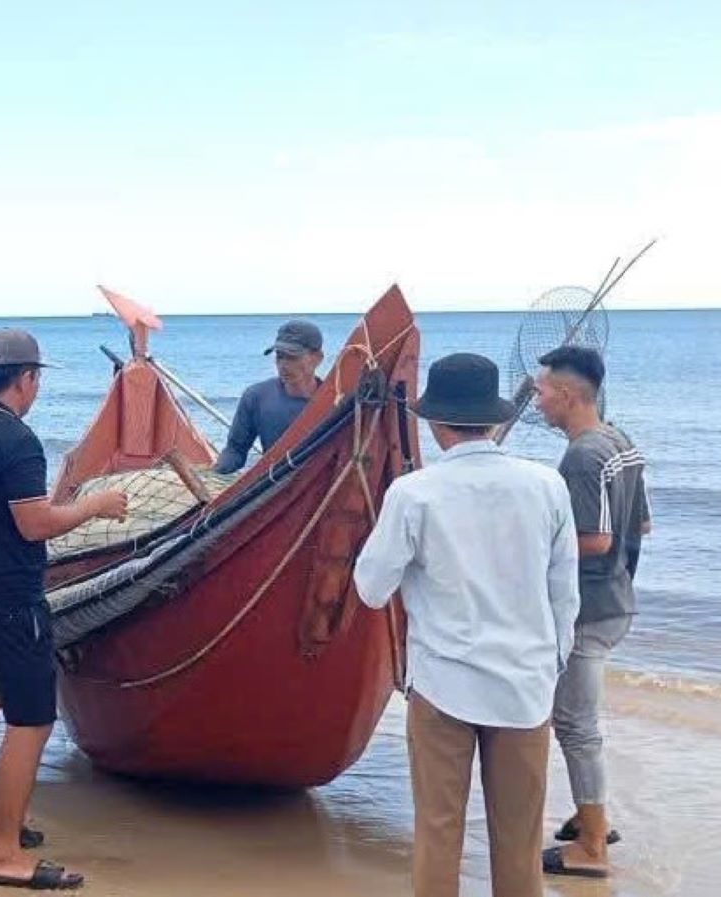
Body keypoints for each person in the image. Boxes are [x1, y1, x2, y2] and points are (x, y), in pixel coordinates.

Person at [354, 353, 579, 897]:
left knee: (437, 832)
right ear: (492, 418)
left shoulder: (414, 493)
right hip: (524, 687)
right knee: (519, 841)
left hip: (443, 683)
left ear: (435, 422)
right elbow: (564, 597)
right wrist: (549, 666)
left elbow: (370, 586)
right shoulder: (547, 485)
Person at [0, 328, 127, 891]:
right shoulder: (17, 440)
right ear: (27, 380)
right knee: (31, 720)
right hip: (10, 599)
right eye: (37, 379)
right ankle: (5, 851)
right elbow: (34, 523)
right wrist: (96, 505)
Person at [534, 346, 650, 880]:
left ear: (567, 394)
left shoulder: (584, 455)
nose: (536, 400)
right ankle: (589, 817)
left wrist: (532, 542)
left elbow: (597, 539)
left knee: (576, 725)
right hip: (617, 598)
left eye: (540, 391)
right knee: (577, 720)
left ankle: (594, 846)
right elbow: (640, 528)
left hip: (591, 608)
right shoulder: (619, 441)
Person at [213, 320, 325, 473]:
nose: (283, 365)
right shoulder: (256, 397)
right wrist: (216, 473)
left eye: (292, 357)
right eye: (279, 357)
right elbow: (235, 450)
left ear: (317, 358)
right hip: (275, 485)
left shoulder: (334, 402)